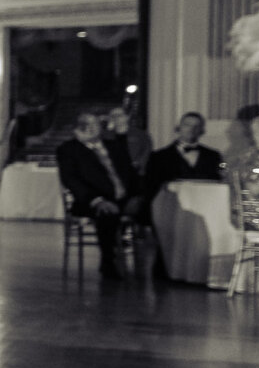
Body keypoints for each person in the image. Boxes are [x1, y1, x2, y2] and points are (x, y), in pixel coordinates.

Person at [55, 110, 144, 280]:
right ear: (79, 128)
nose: (96, 128)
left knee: (155, 208)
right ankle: (108, 261)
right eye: (89, 125)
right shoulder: (69, 150)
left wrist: (137, 196)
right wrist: (97, 200)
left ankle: (164, 263)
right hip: (91, 199)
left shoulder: (113, 146)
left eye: (96, 124)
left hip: (125, 197)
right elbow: (71, 180)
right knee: (107, 213)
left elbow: (130, 173)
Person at [142, 111, 226, 199]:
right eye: (187, 125)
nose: (192, 129)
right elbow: (150, 188)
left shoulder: (214, 156)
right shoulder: (158, 157)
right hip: (171, 207)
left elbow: (220, 180)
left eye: (197, 126)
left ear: (202, 131)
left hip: (205, 204)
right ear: (178, 128)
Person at [105, 107, 153, 172]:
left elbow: (147, 150)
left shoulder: (140, 134)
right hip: (113, 172)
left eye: (119, 115)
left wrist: (138, 163)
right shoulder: (106, 135)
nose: (116, 118)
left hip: (134, 172)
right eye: (113, 116)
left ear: (127, 117)